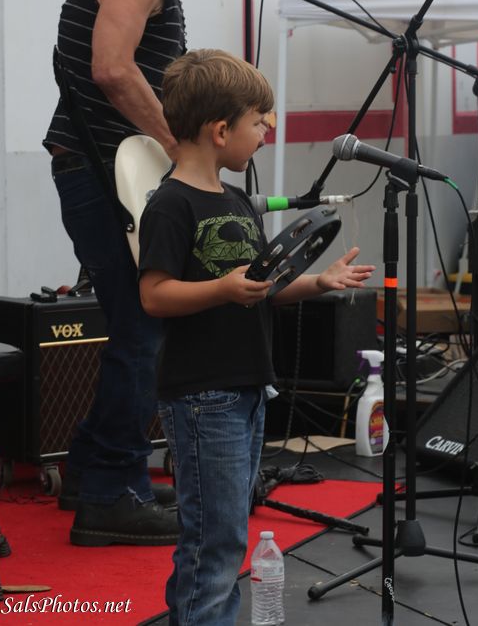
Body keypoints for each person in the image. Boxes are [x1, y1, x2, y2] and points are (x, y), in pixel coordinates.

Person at [43, 0, 271, 547]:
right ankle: (111, 494)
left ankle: (92, 467)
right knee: (145, 325)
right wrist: (181, 151)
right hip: (101, 171)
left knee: (136, 325)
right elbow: (111, 68)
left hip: (112, 171)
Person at [138, 49, 375, 625]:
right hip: (203, 395)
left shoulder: (238, 200)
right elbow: (154, 295)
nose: (266, 135)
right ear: (221, 131)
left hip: (246, 389)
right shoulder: (169, 204)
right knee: (214, 539)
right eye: (258, 124)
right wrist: (222, 289)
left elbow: (261, 286)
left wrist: (318, 281)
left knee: (225, 531)